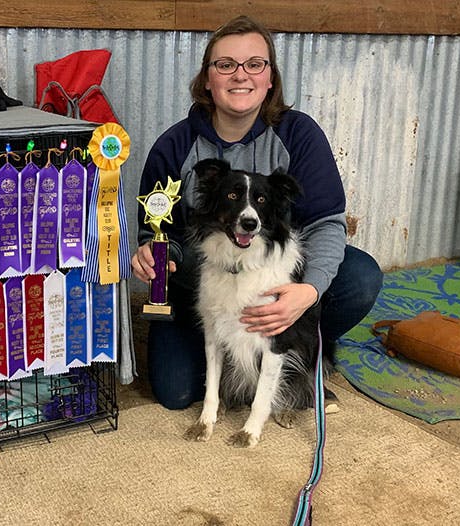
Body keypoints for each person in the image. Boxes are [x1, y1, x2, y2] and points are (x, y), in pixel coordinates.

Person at [130, 15, 383, 410]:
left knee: (359, 277)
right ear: (207, 79)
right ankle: (231, 356)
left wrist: (308, 291)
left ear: (270, 79)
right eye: (225, 64)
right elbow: (158, 232)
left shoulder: (299, 134)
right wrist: (154, 256)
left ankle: (301, 353)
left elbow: (326, 225)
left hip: (270, 279)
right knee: (176, 392)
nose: (240, 75)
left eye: (254, 64)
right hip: (205, 291)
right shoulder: (175, 145)